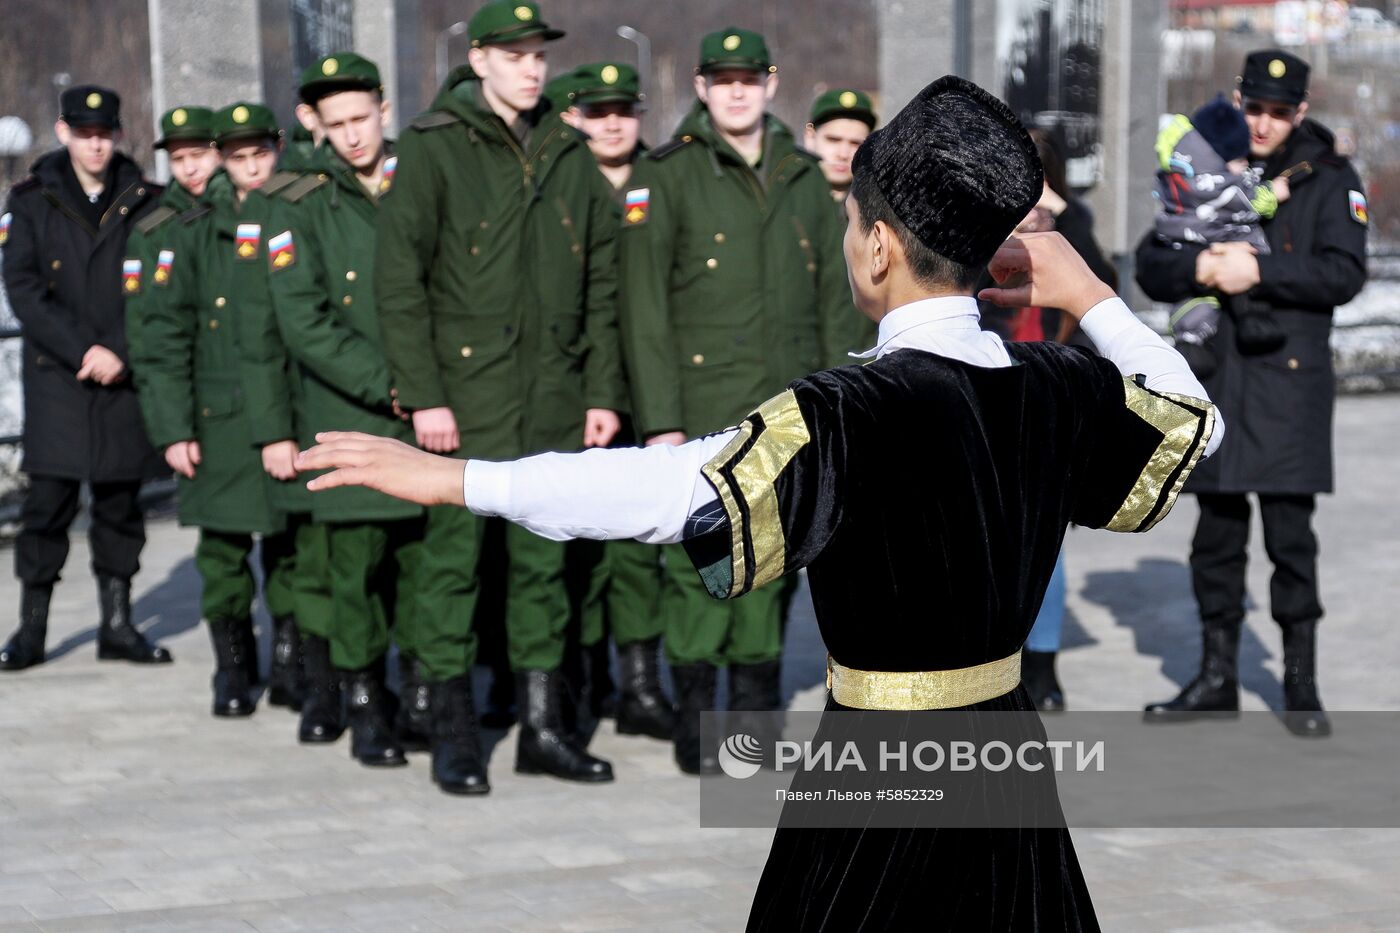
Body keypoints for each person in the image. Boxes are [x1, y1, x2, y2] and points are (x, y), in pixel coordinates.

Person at [298, 76, 1220, 928]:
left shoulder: (850, 411)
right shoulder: (1054, 386)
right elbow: (1190, 424)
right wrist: (1095, 295)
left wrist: (461, 478)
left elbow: (668, 491)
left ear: (878, 246)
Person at [376, 0, 626, 791]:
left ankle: (543, 730)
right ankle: (452, 733)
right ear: (478, 59)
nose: (530, 67)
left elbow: (604, 281)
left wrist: (602, 391)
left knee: (542, 567)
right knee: (451, 566)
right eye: (513, 54)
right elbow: (399, 281)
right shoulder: (434, 146)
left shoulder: (567, 148)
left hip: (552, 395)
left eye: (538, 54)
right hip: (464, 397)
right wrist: (423, 395)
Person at [618, 27, 866, 774]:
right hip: (697, 410)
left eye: (748, 79)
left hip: (785, 408)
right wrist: (659, 418)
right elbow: (644, 309)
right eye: (721, 79)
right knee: (697, 565)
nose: (735, 91)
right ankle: (697, 724)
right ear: (699, 88)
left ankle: (751, 729)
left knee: (772, 563)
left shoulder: (800, 173)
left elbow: (837, 300)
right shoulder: (667, 174)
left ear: (770, 83)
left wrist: (836, 409)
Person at [1136, 49, 1367, 738]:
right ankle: (1216, 676)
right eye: (1253, 108)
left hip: (1288, 387)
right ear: (1238, 100)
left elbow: (1343, 273)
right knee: (1216, 539)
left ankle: (1300, 683)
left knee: (1291, 541)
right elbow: (1152, 259)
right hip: (1220, 382)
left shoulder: (1329, 177)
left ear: (1299, 110)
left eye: (1277, 112)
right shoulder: (1207, 160)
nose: (1262, 123)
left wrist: (1256, 270)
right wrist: (1203, 263)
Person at [253, 53, 429, 770]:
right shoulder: (295, 202)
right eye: (337, 125)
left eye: (362, 118)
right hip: (350, 413)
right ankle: (366, 706)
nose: (353, 136)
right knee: (354, 572)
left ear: (384, 110)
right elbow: (304, 323)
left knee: (425, 566)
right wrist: (395, 385)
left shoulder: (421, 178)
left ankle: (422, 696)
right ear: (315, 126)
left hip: (432, 413)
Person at [131, 102, 296, 717]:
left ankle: (289, 660)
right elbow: (161, 337)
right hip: (215, 417)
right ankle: (232, 669)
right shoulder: (183, 231)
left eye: (203, 154)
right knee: (223, 552)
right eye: (184, 158)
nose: (196, 168)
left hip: (284, 412)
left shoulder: (278, 214)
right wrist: (172, 428)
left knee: (292, 544)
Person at [0, 85, 172, 671]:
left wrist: (119, 350)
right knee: (46, 506)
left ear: (117, 134)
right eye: (84, 132)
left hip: (123, 376)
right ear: (64, 131)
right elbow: (22, 287)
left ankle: (118, 625)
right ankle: (31, 629)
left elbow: (161, 286)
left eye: (105, 133)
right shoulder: (31, 199)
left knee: (121, 505)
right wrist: (85, 349)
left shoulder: (148, 198)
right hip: (60, 377)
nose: (96, 143)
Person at [555, 60, 676, 742]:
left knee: (639, 546)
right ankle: (580, 680)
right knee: (575, 545)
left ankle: (638, 684)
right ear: (575, 117)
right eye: (596, 112)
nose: (610, 124)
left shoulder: (662, 177)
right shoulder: (560, 186)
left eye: (622, 112)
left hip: (649, 392)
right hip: (578, 392)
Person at [1151, 94, 1291, 380]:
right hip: (1220, 239)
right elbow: (1248, 199)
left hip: (1183, 239)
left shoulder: (1181, 173)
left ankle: (1189, 339)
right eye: (1239, 160)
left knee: (1194, 302)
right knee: (1249, 253)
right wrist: (1274, 192)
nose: (1244, 166)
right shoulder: (1218, 184)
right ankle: (1249, 317)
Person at [802, 88, 876, 202]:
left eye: (856, 143)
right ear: (810, 137)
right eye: (833, 140)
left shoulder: (880, 206)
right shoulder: (782, 199)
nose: (843, 154)